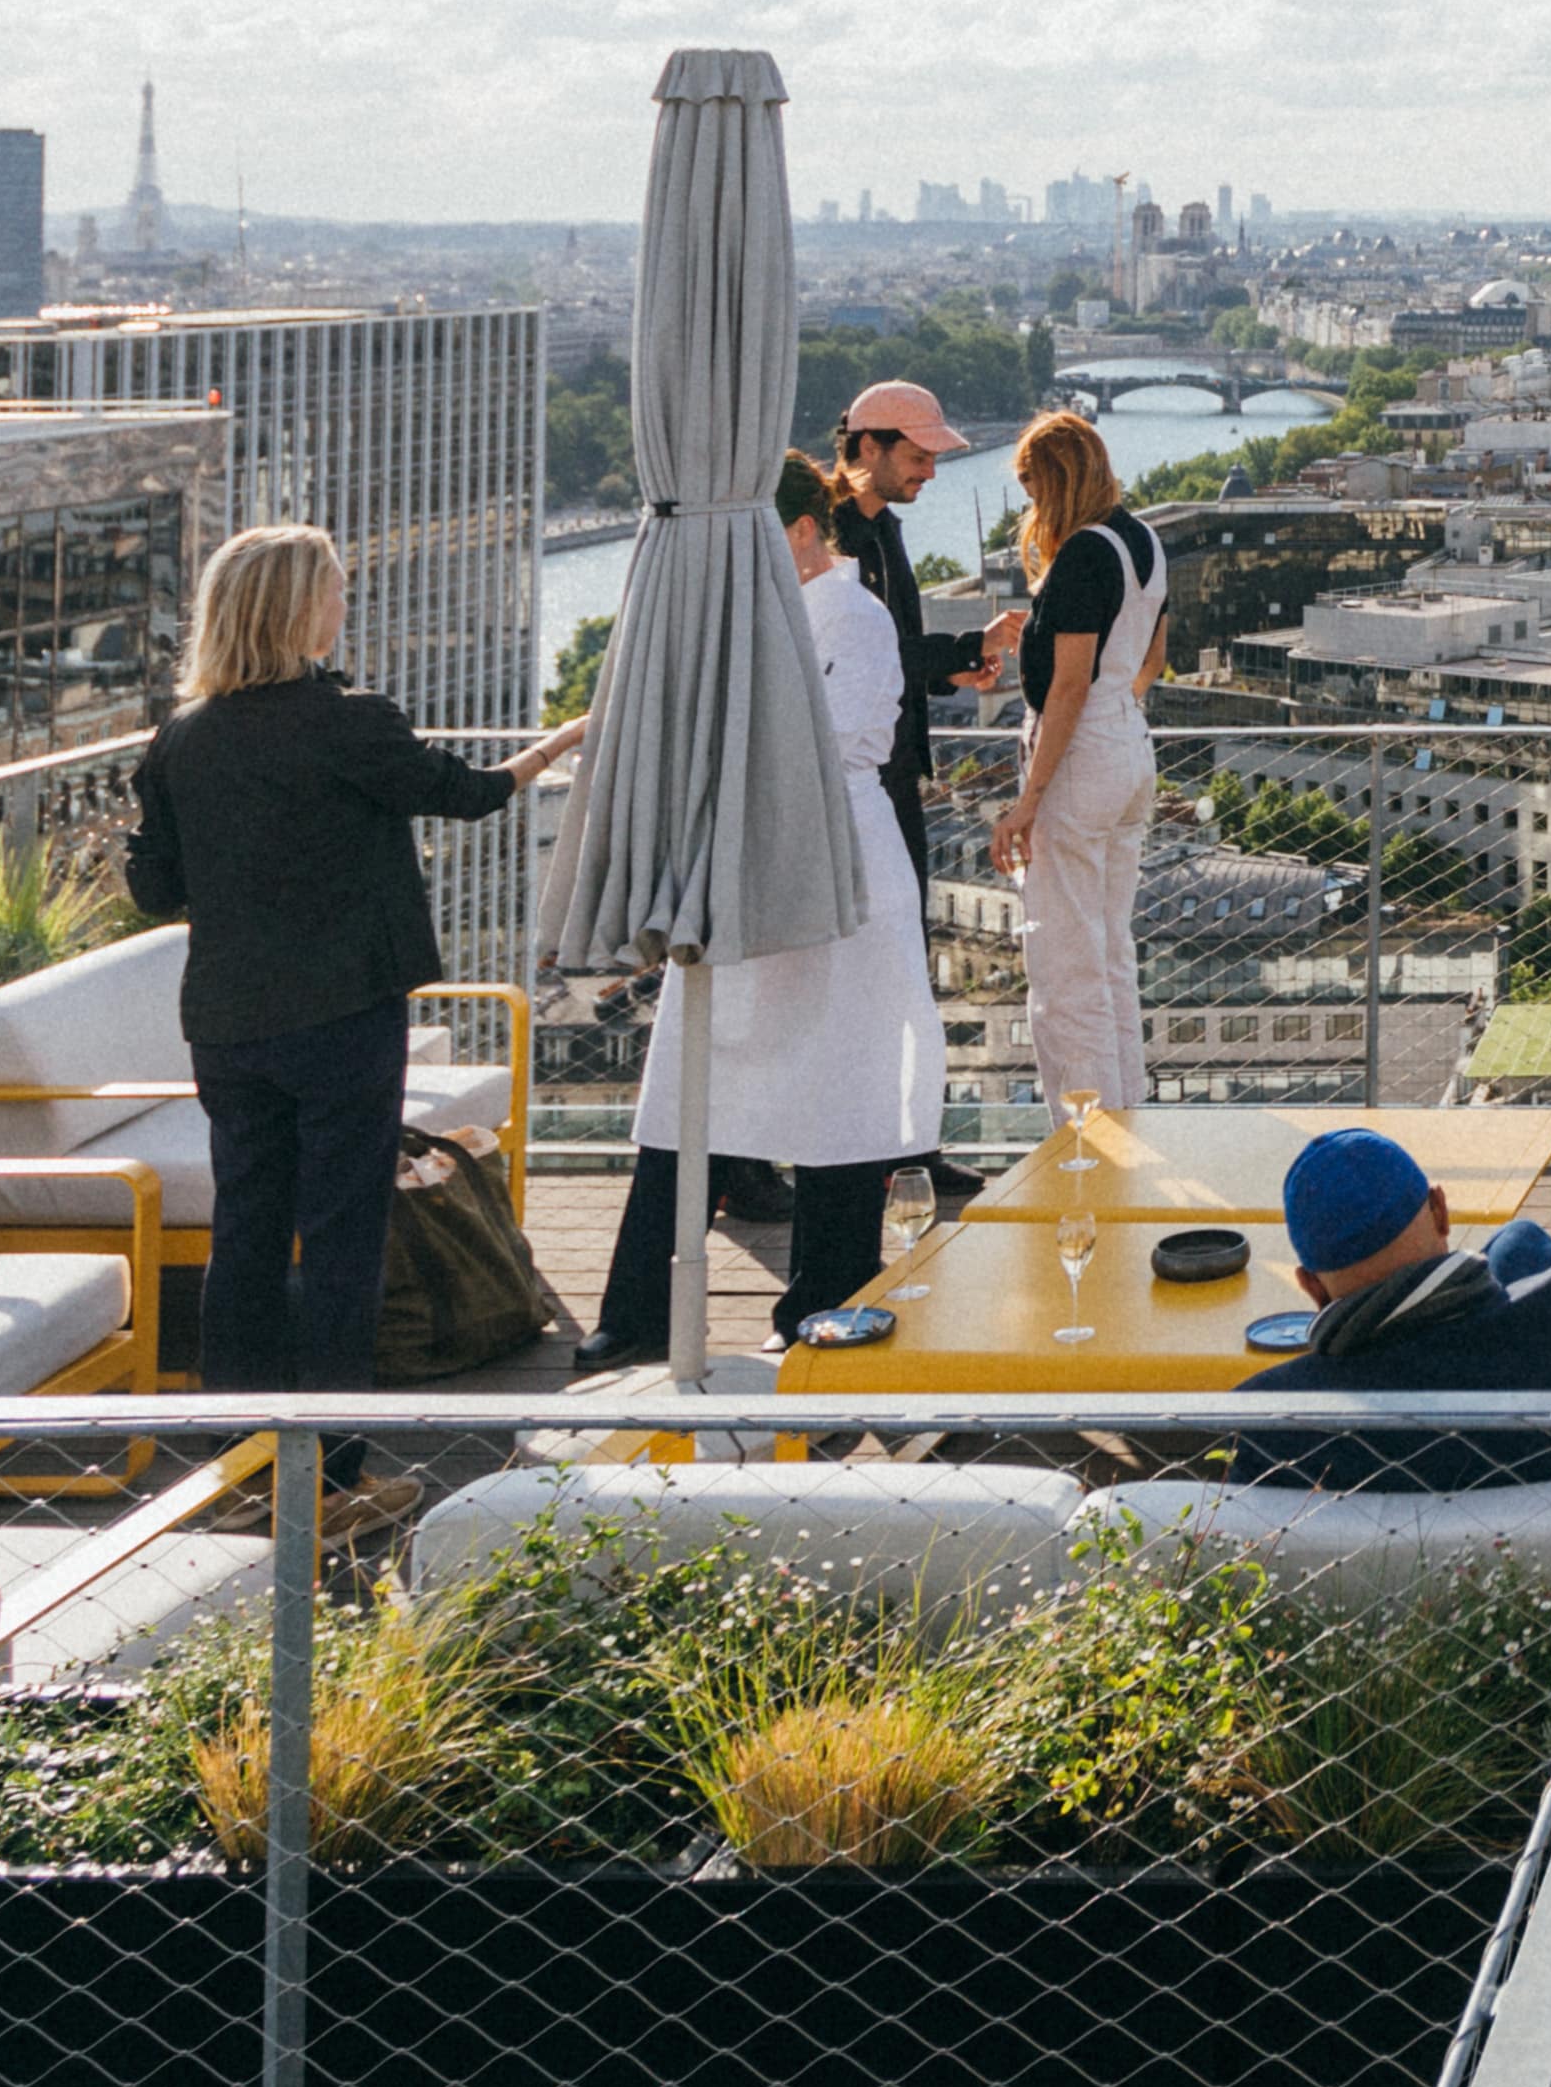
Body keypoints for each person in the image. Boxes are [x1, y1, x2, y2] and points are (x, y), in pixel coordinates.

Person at [124, 520, 583, 1388]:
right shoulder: (348, 722)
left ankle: (240, 1446)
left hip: (226, 1023)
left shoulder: (180, 736)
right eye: (334, 588)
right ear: (301, 610)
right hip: (340, 1018)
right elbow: (471, 793)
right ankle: (329, 1466)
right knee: (343, 1238)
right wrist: (561, 740)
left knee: (247, 1233)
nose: (344, 602)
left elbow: (154, 887)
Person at [597, 455, 948, 1362]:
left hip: (836, 864)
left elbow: (852, 737)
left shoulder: (857, 614)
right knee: (693, 1085)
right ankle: (635, 1316)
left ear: (799, 529)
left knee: (839, 1092)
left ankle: (821, 1308)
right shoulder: (739, 612)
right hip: (740, 863)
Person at [1230, 1126, 1551, 1495]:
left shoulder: (1268, 1418)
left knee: (1516, 1245)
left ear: (1311, 1288)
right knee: (1520, 1246)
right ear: (1440, 1211)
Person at [989, 407, 1160, 1121]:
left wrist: (1028, 799)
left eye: (1032, 487)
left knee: (1064, 963)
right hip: (1127, 741)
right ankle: (1125, 1110)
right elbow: (1146, 656)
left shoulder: (1084, 552)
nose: (1030, 504)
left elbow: (1066, 684)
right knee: (1110, 949)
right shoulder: (1140, 539)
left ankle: (1084, 1134)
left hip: (1082, 749)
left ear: (1055, 480)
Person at [826, 377, 1006, 879]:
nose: (930, 472)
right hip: (857, 774)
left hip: (892, 767)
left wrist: (950, 675)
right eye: (917, 457)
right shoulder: (829, 540)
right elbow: (863, 659)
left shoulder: (882, 527)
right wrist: (970, 646)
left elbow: (891, 651)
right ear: (869, 447)